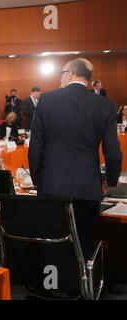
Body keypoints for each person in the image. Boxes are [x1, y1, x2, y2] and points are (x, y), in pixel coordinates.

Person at [28, 58, 122, 260]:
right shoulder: (105, 105)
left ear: (70, 74)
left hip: (52, 186)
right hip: (87, 186)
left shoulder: (46, 100)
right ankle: (82, 288)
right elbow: (113, 152)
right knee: (84, 242)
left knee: (54, 242)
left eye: (61, 74)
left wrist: (37, 180)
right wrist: (113, 179)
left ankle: (53, 287)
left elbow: (35, 147)